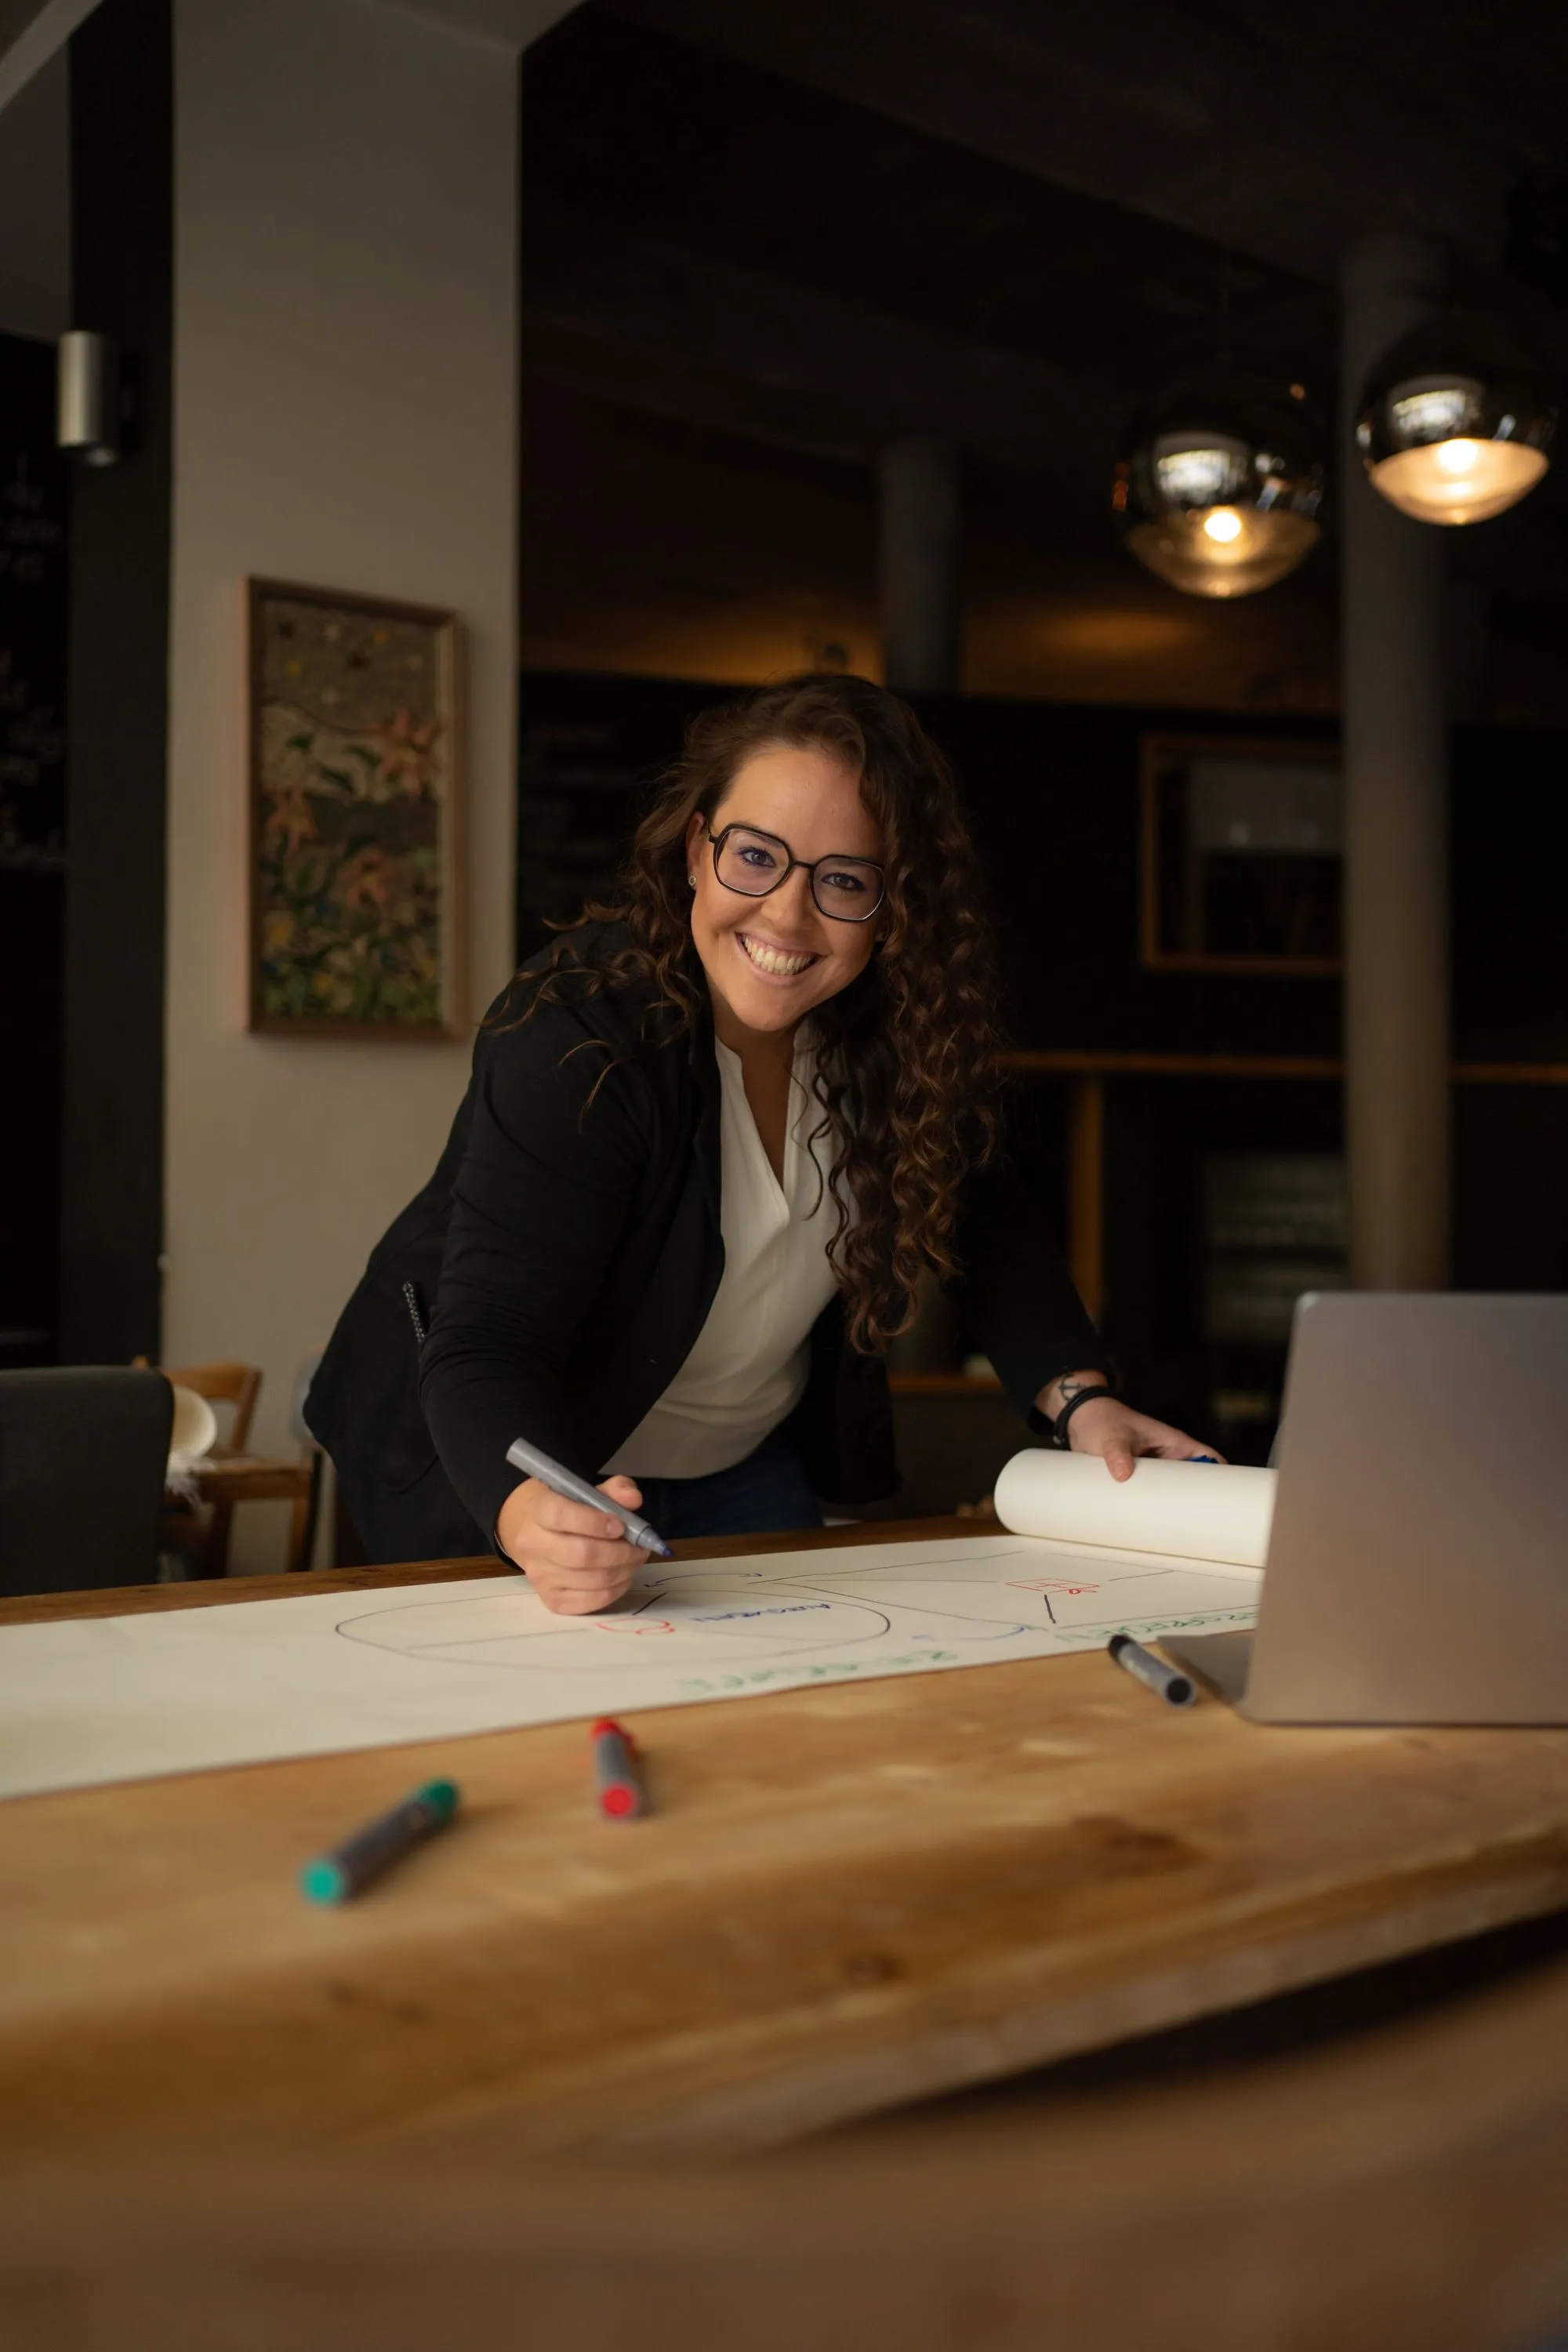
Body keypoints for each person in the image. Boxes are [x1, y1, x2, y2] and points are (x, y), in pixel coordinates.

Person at [307, 674, 1217, 1615]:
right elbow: (489, 1340)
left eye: (844, 880)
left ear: (891, 906)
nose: (786, 915)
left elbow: (988, 1224)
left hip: (738, 1460)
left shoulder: (897, 1039)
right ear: (697, 851)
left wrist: (1078, 1399)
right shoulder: (579, 1034)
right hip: (510, 1450)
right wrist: (526, 1511)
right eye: (755, 856)